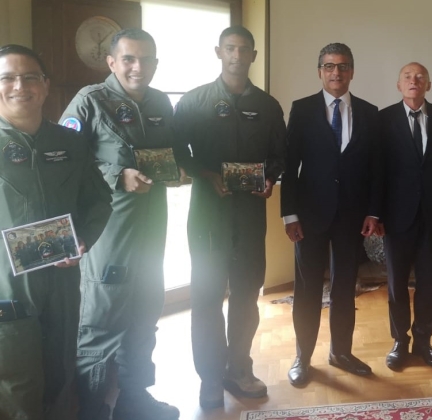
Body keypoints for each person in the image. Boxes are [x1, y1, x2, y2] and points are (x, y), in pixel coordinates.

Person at [59, 28, 183, 420]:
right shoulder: (89, 102)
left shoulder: (161, 102)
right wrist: (117, 174)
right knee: (101, 323)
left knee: (145, 318)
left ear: (156, 64)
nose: (138, 67)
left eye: (146, 59)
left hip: (151, 234)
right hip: (108, 236)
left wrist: (177, 169)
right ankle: (91, 409)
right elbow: (62, 160)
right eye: (128, 59)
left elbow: (169, 152)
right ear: (111, 62)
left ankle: (134, 401)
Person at [172, 26, 285, 409]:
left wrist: (269, 178)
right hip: (208, 215)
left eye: (244, 50)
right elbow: (177, 153)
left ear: (253, 55)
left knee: (246, 297)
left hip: (251, 215)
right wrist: (207, 175)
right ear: (218, 52)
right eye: (230, 49)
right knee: (205, 298)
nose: (237, 55)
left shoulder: (268, 106)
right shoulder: (194, 101)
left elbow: (281, 155)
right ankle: (209, 377)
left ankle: (239, 368)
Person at [0, 44, 111, 420]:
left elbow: (98, 202)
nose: (20, 85)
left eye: (30, 77)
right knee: (18, 384)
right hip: (6, 290)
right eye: (8, 77)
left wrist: (83, 240)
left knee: (61, 373)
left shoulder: (69, 143)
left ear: (45, 86)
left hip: (63, 282)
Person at [280, 42, 382, 385]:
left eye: (342, 66)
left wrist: (373, 212)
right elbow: (289, 166)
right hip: (308, 219)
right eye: (328, 66)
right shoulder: (302, 109)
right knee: (308, 289)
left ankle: (341, 351)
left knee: (344, 289)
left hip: (351, 218)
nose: (335, 72)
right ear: (320, 71)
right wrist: (289, 215)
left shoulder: (370, 112)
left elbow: (375, 170)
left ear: (351, 71)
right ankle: (302, 357)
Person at [377, 62, 432, 370]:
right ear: (399, 85)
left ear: (429, 84)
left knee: (427, 283)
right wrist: (377, 212)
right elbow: (378, 170)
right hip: (395, 218)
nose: (414, 81)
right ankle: (400, 342)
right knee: (397, 284)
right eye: (408, 77)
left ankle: (424, 341)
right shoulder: (383, 119)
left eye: (420, 77)